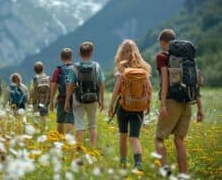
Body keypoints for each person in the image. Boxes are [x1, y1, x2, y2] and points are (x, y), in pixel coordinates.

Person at [155, 29, 204, 179]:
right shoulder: (187, 57)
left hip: (171, 102)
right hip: (188, 102)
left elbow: (165, 80)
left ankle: (166, 173)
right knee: (179, 140)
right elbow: (195, 82)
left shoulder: (162, 57)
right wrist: (200, 108)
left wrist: (163, 104)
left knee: (159, 138)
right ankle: (183, 176)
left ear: (163, 42)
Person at [108, 40, 152, 171]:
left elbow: (116, 88)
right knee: (134, 138)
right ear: (135, 52)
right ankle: (138, 164)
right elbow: (149, 88)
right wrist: (147, 103)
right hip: (139, 107)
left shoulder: (121, 68)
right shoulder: (143, 67)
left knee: (123, 135)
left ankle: (123, 163)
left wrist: (111, 105)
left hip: (123, 106)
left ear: (121, 52)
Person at [65, 41, 105, 147]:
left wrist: (66, 101)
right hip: (93, 99)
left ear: (79, 53)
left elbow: (70, 85)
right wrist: (102, 99)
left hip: (78, 99)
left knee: (79, 125)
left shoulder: (74, 68)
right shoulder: (96, 66)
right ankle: (92, 149)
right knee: (92, 125)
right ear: (91, 53)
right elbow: (101, 84)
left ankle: (80, 150)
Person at [50, 48, 74, 134]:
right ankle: (68, 141)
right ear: (71, 57)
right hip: (73, 98)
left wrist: (51, 101)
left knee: (60, 120)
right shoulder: (75, 68)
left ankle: (60, 140)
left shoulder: (58, 70)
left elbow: (53, 85)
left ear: (61, 58)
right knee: (70, 119)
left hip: (61, 98)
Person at [30, 61, 50, 130]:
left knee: (36, 115)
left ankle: (36, 129)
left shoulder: (35, 78)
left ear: (34, 70)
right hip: (44, 100)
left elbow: (33, 90)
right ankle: (43, 129)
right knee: (43, 115)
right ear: (43, 68)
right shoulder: (47, 77)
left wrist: (31, 99)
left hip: (37, 100)